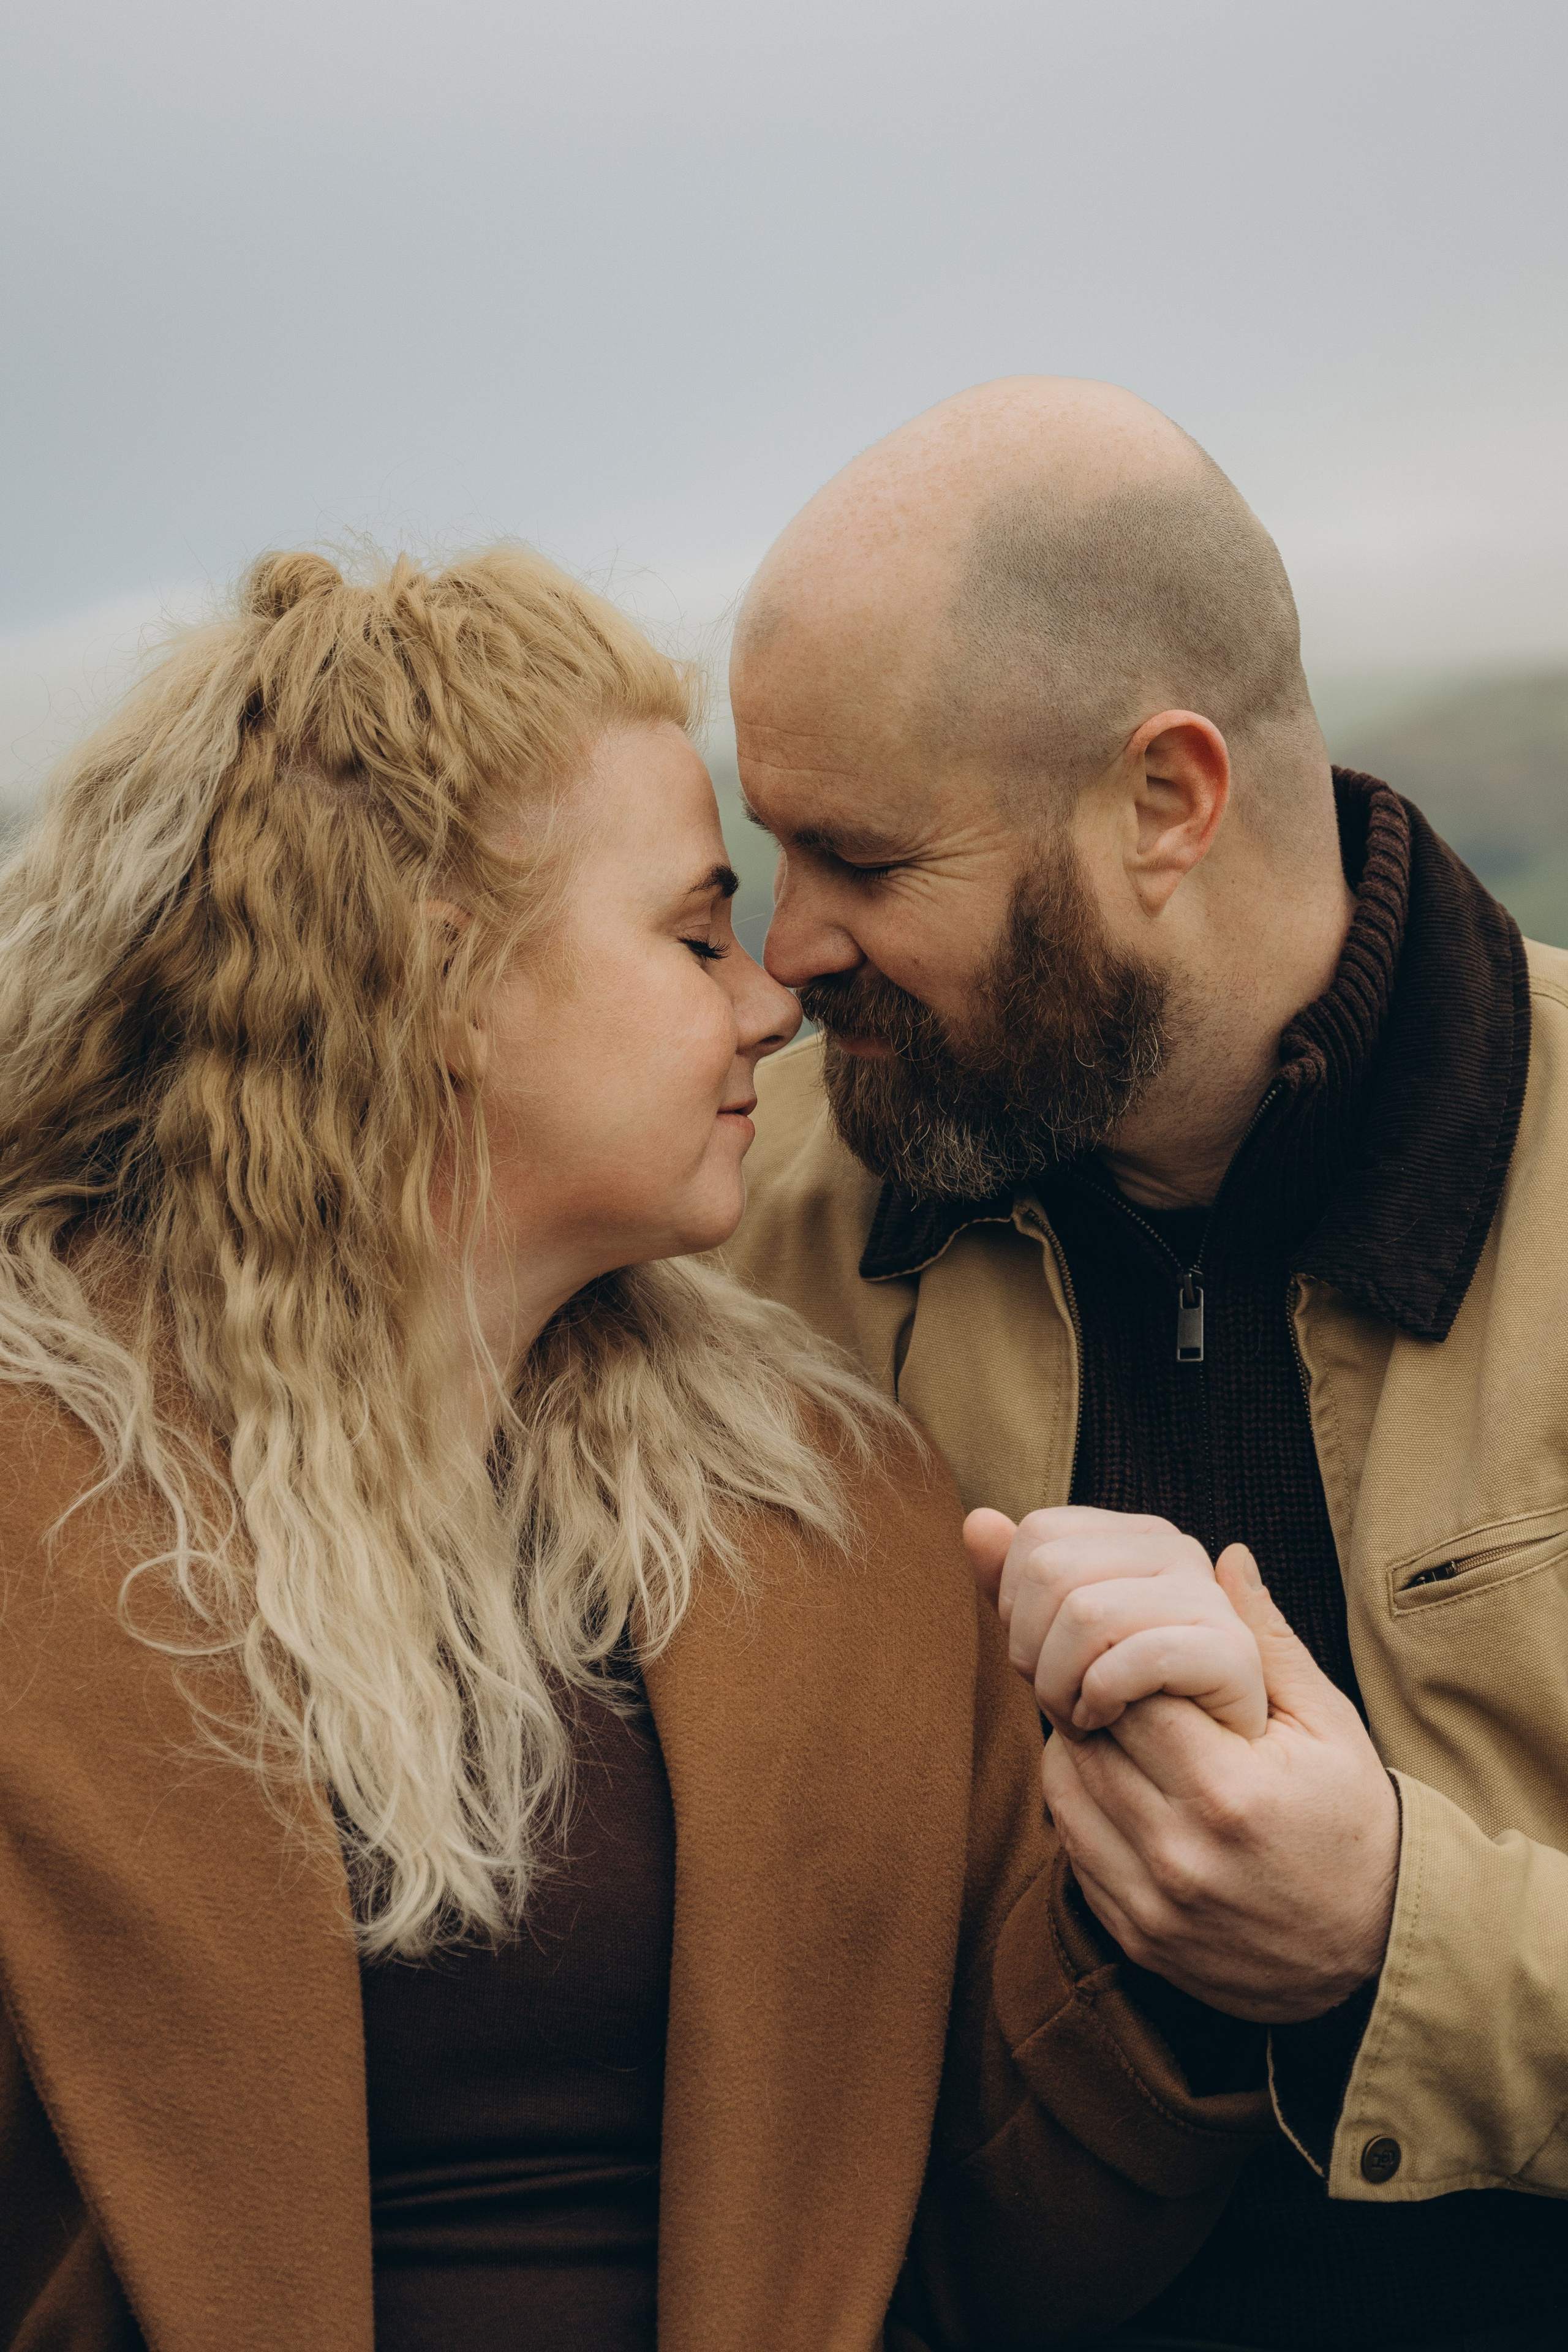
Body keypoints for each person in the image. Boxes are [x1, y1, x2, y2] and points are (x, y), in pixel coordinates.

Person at [0, 543, 1273, 2352]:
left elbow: (1009, 2252)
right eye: (693, 936)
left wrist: (1175, 1932)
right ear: (437, 977)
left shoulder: (836, 1505)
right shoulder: (32, 1494)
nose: (771, 1000)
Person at [726, 377, 1568, 2352]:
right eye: (768, 856)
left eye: (862, 860)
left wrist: (1393, 1931)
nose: (787, 953)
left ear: (1166, 804)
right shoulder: (726, 1230)